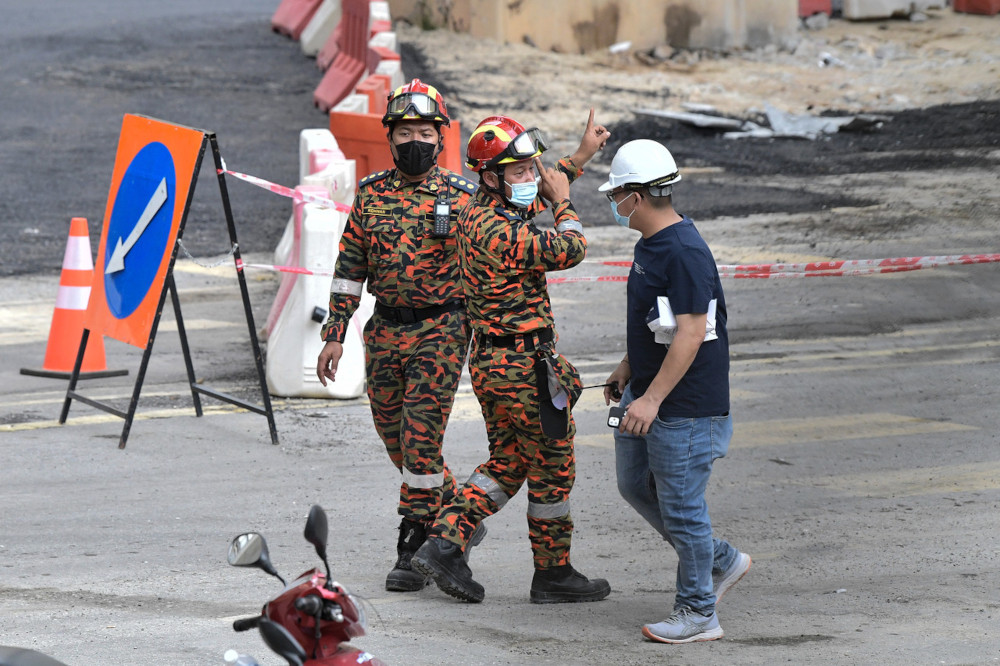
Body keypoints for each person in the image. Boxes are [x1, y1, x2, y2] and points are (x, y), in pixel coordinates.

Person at [412, 111, 613, 604]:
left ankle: (446, 543)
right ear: (490, 177)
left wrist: (580, 157)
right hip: (523, 369)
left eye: (531, 169)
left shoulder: (482, 208)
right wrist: (565, 203)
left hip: (496, 365)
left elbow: (536, 184)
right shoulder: (499, 230)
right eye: (519, 172)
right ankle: (551, 574)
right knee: (552, 466)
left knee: (508, 461)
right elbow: (571, 247)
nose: (531, 179)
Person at [316, 79, 484, 593]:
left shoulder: (463, 198)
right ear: (390, 139)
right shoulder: (370, 197)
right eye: (405, 131)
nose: (416, 141)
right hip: (384, 330)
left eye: (425, 132)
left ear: (441, 138)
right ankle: (459, 519)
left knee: (419, 440)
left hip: (442, 329)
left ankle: (413, 545)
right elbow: (349, 268)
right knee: (397, 442)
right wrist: (336, 332)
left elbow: (495, 255)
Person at [600, 139, 751, 643]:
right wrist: (628, 367)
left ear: (637, 196)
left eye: (616, 194)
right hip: (648, 392)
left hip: (683, 407)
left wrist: (651, 400)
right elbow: (658, 324)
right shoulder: (652, 244)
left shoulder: (684, 251)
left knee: (683, 507)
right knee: (635, 484)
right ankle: (722, 560)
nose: (614, 204)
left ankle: (698, 613)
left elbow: (691, 331)